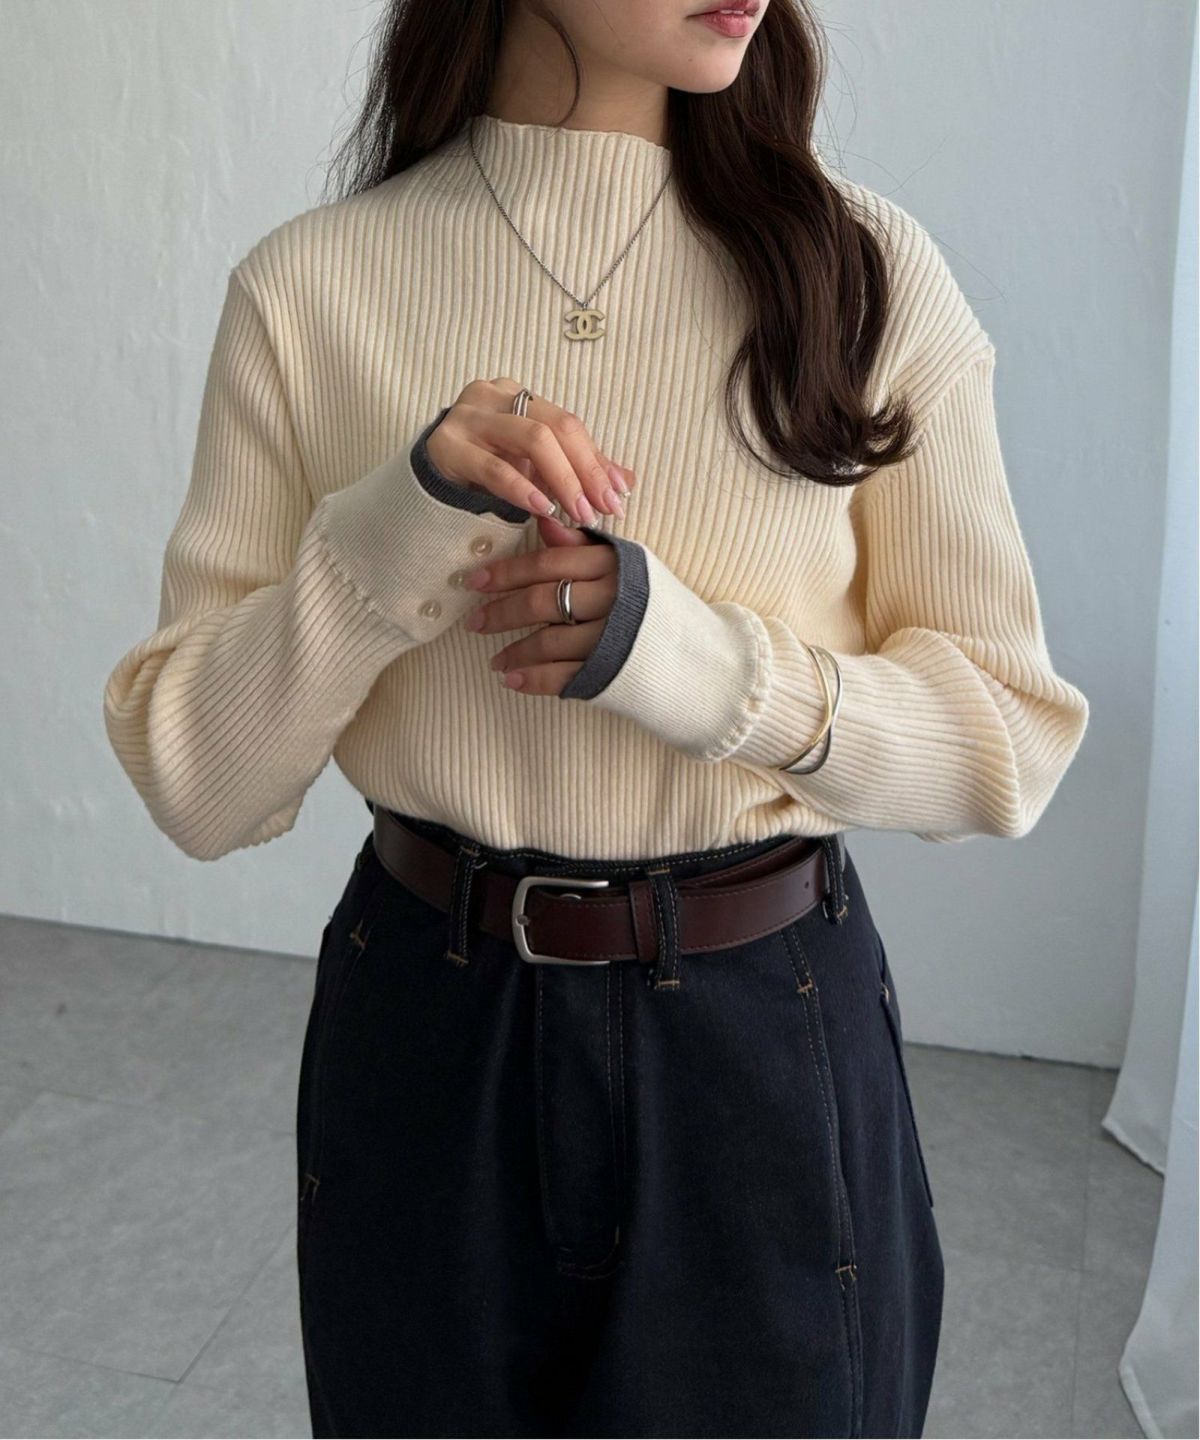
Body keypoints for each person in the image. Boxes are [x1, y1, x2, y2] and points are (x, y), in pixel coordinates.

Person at [101, 1, 1091, 1435]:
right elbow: (196, 783)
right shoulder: (309, 287)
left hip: (757, 1040)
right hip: (429, 1027)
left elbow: (1008, 743)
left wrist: (703, 668)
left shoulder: (861, 273)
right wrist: (396, 529)